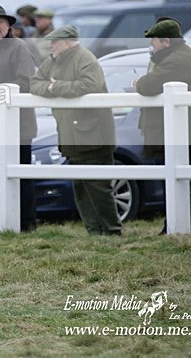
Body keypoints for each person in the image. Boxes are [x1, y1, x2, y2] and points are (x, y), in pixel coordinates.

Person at [31, 25, 122, 235]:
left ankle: (112, 231)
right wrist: (51, 87)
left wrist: (57, 87)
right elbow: (35, 83)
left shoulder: (85, 58)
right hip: (71, 135)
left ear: (67, 42)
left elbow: (88, 85)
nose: (51, 45)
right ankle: (94, 231)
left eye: (55, 41)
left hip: (93, 134)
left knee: (99, 187)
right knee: (80, 187)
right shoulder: (53, 60)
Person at [135, 18, 191, 234]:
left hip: (177, 131)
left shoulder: (176, 60)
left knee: (178, 178)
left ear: (166, 41)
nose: (152, 46)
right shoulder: (178, 56)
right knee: (177, 177)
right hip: (171, 129)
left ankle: (183, 225)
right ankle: (182, 224)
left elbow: (149, 85)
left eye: (154, 42)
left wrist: (140, 82)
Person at [0, 5, 38, 231]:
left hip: (17, 126)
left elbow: (27, 82)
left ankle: (27, 223)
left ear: (9, 25)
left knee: (20, 178)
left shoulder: (18, 48)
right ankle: (6, 222)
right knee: (0, 177)